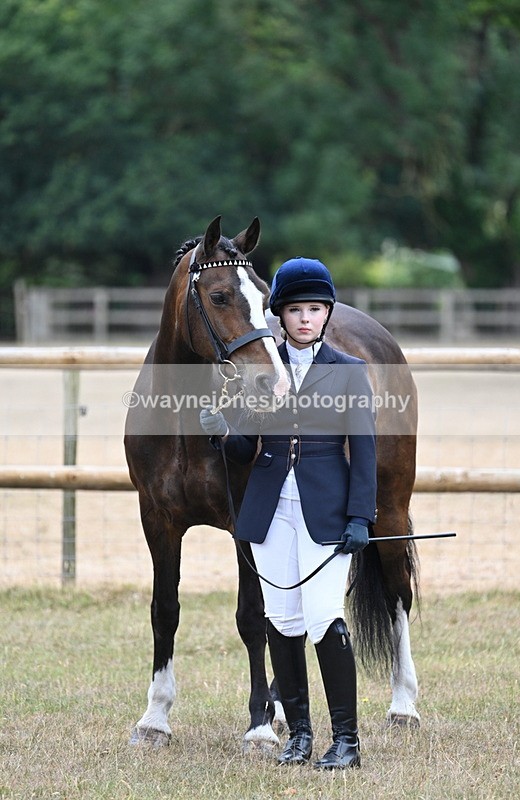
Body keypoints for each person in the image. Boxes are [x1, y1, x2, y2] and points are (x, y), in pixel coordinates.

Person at [199, 257, 377, 770]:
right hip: (271, 509)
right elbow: (243, 450)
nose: (305, 318)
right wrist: (221, 431)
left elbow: (364, 451)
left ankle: (346, 741)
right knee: (281, 618)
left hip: (327, 509)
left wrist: (361, 517)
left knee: (324, 618)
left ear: (327, 314)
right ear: (278, 314)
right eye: (295, 310)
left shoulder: (350, 371)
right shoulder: (261, 368)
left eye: (315, 309)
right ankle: (299, 735)